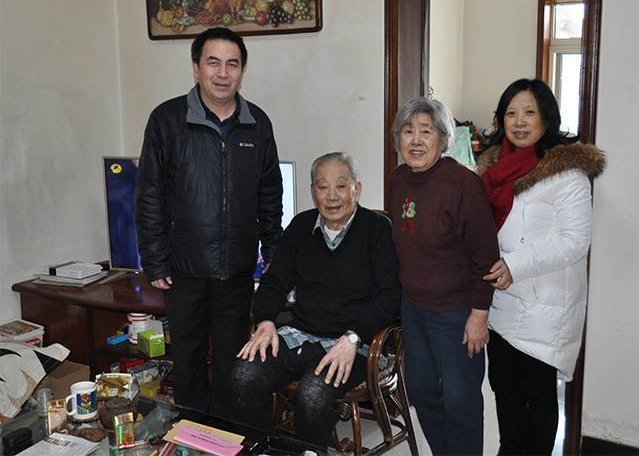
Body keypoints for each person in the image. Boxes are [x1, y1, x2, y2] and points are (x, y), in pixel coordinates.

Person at [135, 27, 283, 419]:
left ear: (241, 71)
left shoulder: (258, 124)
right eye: (213, 62)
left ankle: (226, 438)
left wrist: (274, 251)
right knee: (187, 361)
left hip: (236, 270)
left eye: (232, 64)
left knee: (233, 363)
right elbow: (149, 194)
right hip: (183, 270)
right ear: (196, 68)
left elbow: (270, 194)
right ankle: (191, 437)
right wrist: (155, 260)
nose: (222, 73)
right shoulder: (167, 120)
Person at [230, 152, 401, 448]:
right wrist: (266, 321)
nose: (332, 196)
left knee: (312, 393)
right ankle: (264, 450)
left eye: (341, 186)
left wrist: (353, 337)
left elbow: (390, 298)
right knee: (244, 375)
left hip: (356, 343)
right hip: (302, 335)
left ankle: (309, 454)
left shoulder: (377, 230)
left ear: (357, 190)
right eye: (323, 187)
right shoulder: (301, 227)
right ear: (313, 192)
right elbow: (273, 281)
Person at [477, 78, 606, 455]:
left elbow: (575, 240)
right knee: (504, 389)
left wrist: (515, 264)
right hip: (501, 303)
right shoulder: (492, 168)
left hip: (544, 306)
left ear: (546, 118)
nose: (519, 121)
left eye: (529, 112)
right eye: (511, 113)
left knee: (538, 395)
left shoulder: (566, 171)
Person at [387, 97, 501, 455]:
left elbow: (486, 258)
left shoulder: (463, 184)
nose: (416, 140)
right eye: (408, 131)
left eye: (426, 131)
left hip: (457, 314)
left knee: (460, 401)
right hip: (413, 309)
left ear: (443, 138)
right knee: (421, 392)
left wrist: (478, 317)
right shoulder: (397, 180)